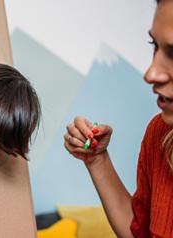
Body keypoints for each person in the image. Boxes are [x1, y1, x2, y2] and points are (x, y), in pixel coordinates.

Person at [64, 0, 173, 237]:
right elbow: (139, 232)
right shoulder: (160, 131)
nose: (151, 73)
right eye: (154, 45)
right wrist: (97, 160)